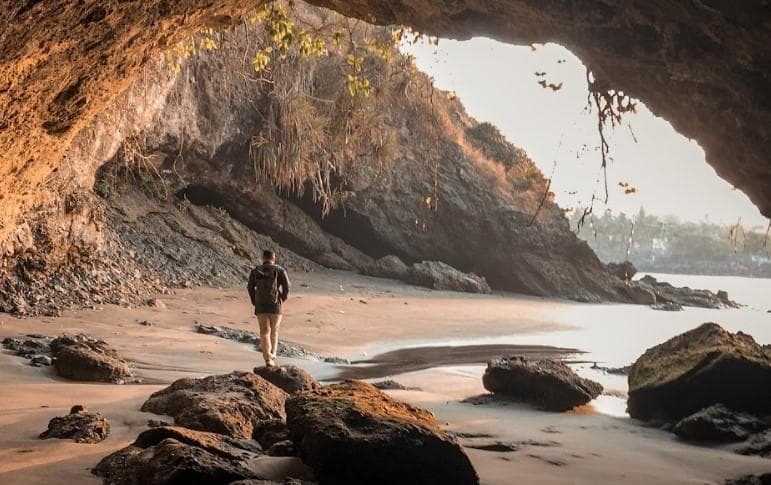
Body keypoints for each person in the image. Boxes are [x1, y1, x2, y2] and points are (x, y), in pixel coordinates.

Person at [247, 250, 290, 367]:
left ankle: (268, 359)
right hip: (275, 306)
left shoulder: (255, 271)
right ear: (274, 258)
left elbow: (250, 287)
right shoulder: (280, 270)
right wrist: (282, 300)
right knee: (274, 332)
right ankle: (273, 354)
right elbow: (287, 287)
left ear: (263, 258)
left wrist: (254, 301)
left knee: (264, 332)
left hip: (261, 306)